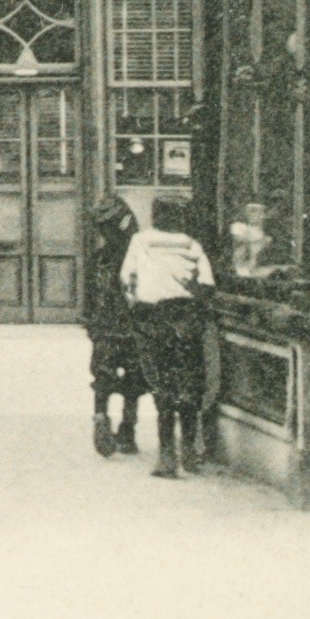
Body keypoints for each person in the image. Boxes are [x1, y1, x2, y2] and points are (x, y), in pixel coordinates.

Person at [121, 198, 216, 479]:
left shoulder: (140, 241)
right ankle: (189, 452)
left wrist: (135, 301)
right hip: (186, 319)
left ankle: (166, 457)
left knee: (162, 387)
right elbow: (207, 283)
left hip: (153, 319)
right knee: (188, 385)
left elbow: (127, 277)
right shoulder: (191, 244)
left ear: (155, 215)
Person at [85, 195, 147, 457]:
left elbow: (89, 296)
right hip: (133, 327)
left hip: (106, 326)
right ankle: (128, 429)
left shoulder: (99, 258)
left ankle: (101, 417)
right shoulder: (140, 257)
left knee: (103, 376)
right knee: (135, 377)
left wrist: (90, 323)